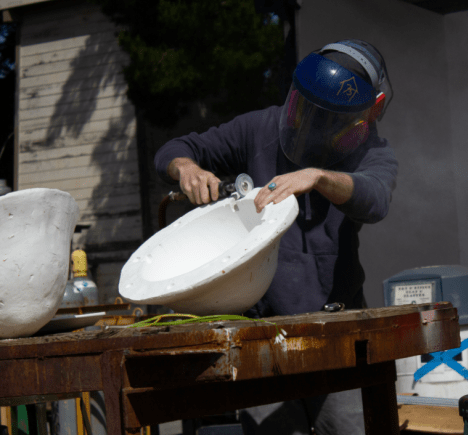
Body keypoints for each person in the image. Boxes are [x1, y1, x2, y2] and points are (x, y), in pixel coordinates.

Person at [154, 39, 398, 435]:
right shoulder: (260, 128)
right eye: (308, 111)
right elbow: (180, 148)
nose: (314, 124)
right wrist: (186, 169)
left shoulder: (373, 152)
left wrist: (318, 177)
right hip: (263, 337)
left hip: (336, 332)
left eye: (330, 118)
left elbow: (375, 199)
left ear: (366, 115)